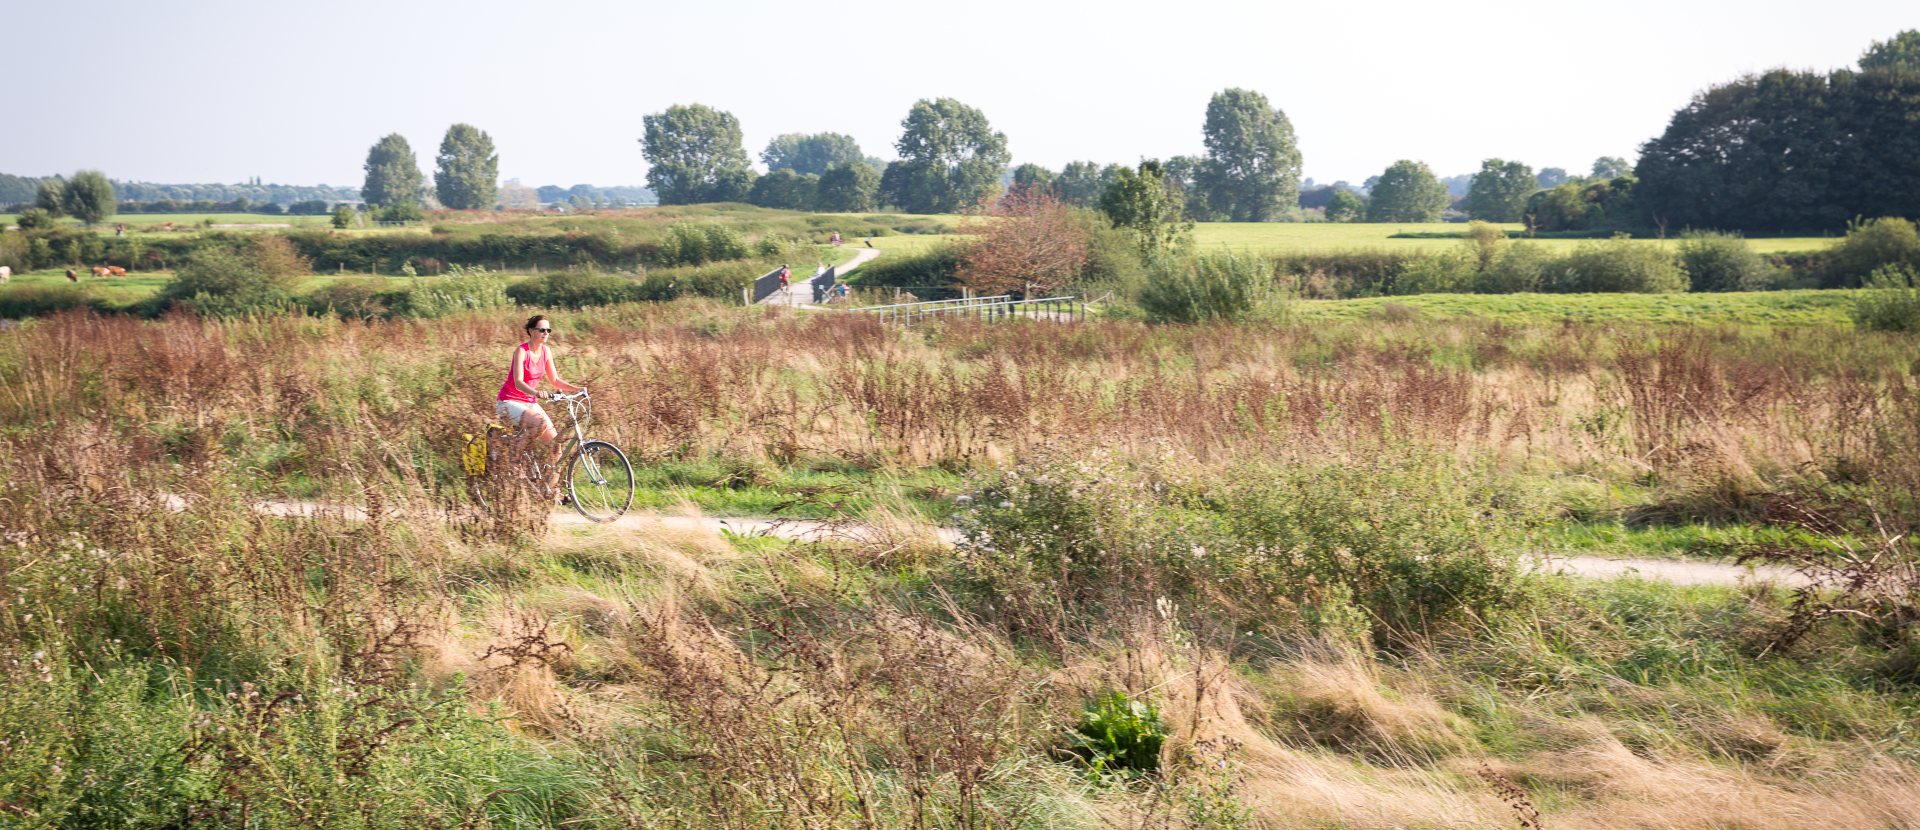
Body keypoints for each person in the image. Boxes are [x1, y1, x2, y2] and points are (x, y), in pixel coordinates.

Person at [496, 315, 585, 476]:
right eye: (542, 329)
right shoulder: (521, 351)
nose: (546, 333)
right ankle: (514, 460)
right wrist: (536, 393)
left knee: (556, 446)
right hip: (508, 402)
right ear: (531, 331)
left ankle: (550, 490)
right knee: (539, 423)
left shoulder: (546, 351)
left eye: (548, 330)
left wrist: (577, 389)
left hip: (528, 403)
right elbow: (518, 382)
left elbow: (555, 380)